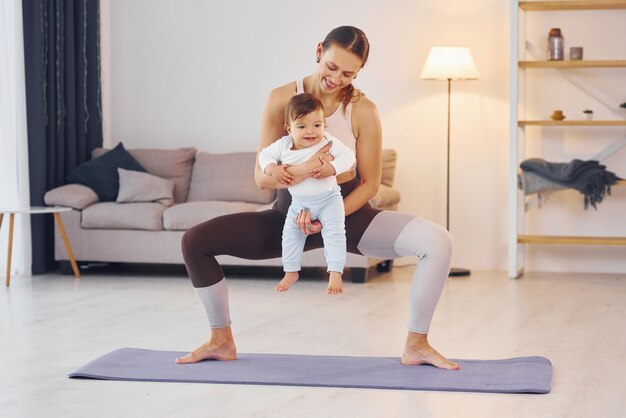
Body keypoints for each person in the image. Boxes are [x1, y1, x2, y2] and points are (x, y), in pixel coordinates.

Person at [176, 26, 459, 370]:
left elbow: (370, 184)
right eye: (331, 66)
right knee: (195, 241)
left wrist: (328, 219)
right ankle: (221, 340)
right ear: (318, 50)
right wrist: (307, 170)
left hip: (349, 216)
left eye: (348, 73)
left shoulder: (363, 110)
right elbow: (261, 177)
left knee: (438, 241)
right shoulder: (282, 98)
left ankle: (417, 345)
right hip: (288, 218)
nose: (336, 78)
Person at [259, 93, 355, 294]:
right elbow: (264, 155)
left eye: (317, 125)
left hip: (329, 199)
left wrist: (333, 168)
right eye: (302, 126)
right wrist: (271, 169)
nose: (311, 132)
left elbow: (349, 157)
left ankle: (335, 273)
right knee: (290, 235)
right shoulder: (284, 145)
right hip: (299, 203)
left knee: (335, 234)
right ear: (289, 128)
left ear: (324, 126)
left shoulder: (328, 141)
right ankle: (291, 271)